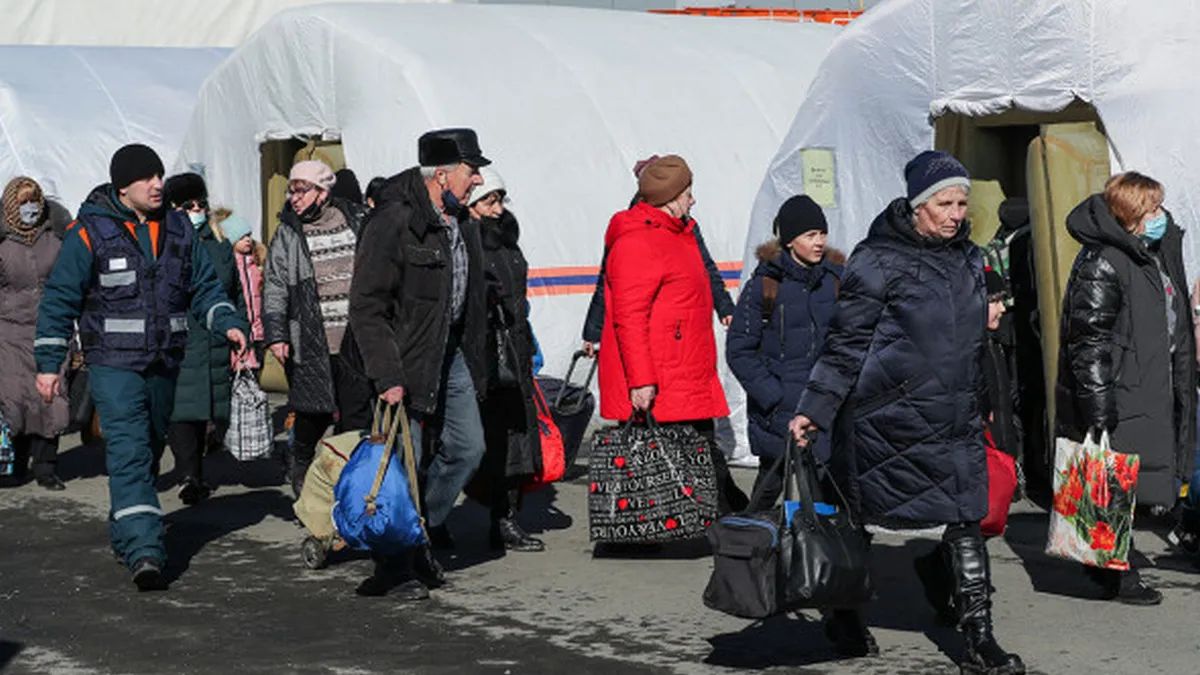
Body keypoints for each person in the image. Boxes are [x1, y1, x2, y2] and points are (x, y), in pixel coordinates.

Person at [789, 151, 1024, 673]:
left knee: (967, 519)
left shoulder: (969, 258)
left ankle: (979, 640)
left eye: (962, 203)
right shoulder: (876, 259)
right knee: (858, 522)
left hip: (955, 415)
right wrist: (816, 409)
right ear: (917, 206)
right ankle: (844, 615)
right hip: (884, 418)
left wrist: (986, 401)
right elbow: (846, 343)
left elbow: (970, 344)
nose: (955, 213)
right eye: (944, 203)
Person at [35, 144, 247, 591]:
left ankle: (128, 524)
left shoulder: (177, 229)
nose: (157, 184)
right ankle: (145, 551)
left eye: (159, 176)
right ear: (123, 186)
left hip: (164, 362)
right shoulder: (89, 233)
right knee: (130, 450)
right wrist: (49, 364)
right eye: (147, 178)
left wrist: (227, 322)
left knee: (148, 449)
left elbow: (204, 287)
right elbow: (59, 300)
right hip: (112, 365)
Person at [349, 128, 490, 598]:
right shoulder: (394, 220)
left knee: (468, 448)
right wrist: (386, 374)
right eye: (472, 171)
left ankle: (419, 530)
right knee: (399, 465)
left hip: (449, 354)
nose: (477, 181)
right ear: (444, 174)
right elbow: (367, 305)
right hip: (404, 360)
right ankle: (394, 566)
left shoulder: (461, 222)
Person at [1056, 171, 1196, 605]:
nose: (1161, 216)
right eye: (1151, 209)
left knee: (1126, 481)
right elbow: (1089, 340)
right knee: (1112, 481)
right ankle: (1119, 574)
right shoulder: (1103, 261)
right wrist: (1098, 404)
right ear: (1130, 215)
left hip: (1153, 382)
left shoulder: (1151, 254)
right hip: (1122, 387)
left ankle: (1104, 563)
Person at [597, 154, 747, 516]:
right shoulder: (638, 241)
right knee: (671, 453)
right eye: (688, 192)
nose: (692, 200)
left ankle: (719, 518)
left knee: (696, 446)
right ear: (670, 196)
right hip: (662, 372)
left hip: (683, 366)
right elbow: (628, 317)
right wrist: (641, 381)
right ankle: (721, 522)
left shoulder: (680, 235)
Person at [726, 195, 842, 506]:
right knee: (768, 489)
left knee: (823, 494)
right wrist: (773, 396)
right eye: (810, 235)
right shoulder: (764, 286)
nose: (819, 242)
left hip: (823, 409)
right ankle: (751, 548)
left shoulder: (834, 282)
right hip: (777, 413)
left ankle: (817, 553)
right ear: (791, 240)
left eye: (822, 234)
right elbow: (739, 350)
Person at [262, 160, 369, 496]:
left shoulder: (357, 221)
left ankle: (345, 485)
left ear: (323, 191)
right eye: (291, 190)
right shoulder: (288, 232)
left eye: (301, 189)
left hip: (356, 340)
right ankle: (301, 454)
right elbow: (276, 285)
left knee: (356, 418)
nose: (294, 197)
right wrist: (276, 334)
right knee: (313, 410)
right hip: (310, 337)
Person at [580, 155, 735, 356]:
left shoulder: (686, 226)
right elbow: (607, 282)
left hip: (683, 332)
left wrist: (726, 308)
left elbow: (705, 268)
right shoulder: (629, 230)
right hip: (651, 331)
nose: (691, 201)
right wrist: (593, 333)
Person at [469, 167, 545, 552]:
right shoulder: (467, 242)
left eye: (499, 200)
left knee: (515, 437)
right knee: (483, 439)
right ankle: (440, 517)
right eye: (489, 201)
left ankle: (505, 517)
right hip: (482, 353)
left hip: (513, 349)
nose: (498, 209)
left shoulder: (507, 239)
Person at [163, 173, 244, 505]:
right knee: (183, 411)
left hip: (215, 337)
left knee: (207, 410)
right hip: (181, 338)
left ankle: (197, 469)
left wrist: (239, 327)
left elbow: (235, 290)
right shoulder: (165, 244)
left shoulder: (219, 243)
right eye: (188, 205)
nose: (197, 210)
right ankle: (188, 475)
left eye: (201, 204)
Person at [0, 176, 69, 490]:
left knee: (50, 398)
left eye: (35, 201)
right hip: (9, 331)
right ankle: (14, 463)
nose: (31, 208)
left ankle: (46, 468)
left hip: (50, 329)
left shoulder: (55, 238)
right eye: (24, 202)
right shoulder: (2, 243)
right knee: (14, 399)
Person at [218, 212, 266, 373]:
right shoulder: (229, 266)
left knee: (256, 375)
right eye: (241, 236)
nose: (248, 239)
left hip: (259, 331)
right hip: (240, 330)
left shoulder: (257, 263)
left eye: (249, 235)